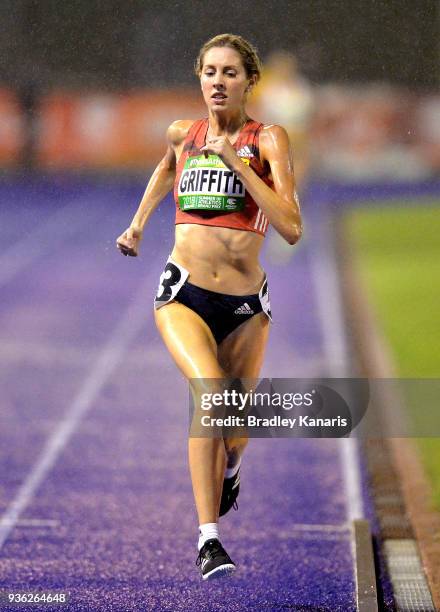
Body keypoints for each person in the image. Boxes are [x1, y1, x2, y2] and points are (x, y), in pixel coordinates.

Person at [116, 33, 302, 581]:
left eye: (230, 73)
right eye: (210, 72)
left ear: (249, 81)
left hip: (246, 305)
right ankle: (209, 540)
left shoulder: (269, 138)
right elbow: (165, 168)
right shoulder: (183, 133)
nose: (218, 82)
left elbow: (291, 226)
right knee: (210, 396)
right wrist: (138, 225)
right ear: (199, 78)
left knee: (235, 429)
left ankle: (233, 469)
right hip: (183, 294)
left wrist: (239, 166)